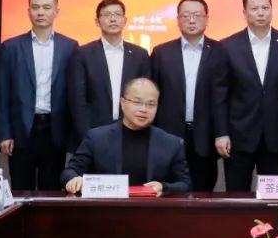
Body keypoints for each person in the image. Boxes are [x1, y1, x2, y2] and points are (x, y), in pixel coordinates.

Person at [213, 0, 278, 191]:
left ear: (271, 10)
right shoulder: (227, 46)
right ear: (245, 13)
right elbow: (220, 95)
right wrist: (221, 133)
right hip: (238, 135)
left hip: (276, 134)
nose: (260, 13)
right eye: (254, 9)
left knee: (273, 198)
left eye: (265, 8)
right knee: (236, 195)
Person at [0, 0, 78, 191]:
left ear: (56, 11)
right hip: (22, 129)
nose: (40, 12)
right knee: (20, 189)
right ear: (28, 11)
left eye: (46, 7)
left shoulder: (70, 46)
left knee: (52, 190)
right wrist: (5, 133)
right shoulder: (11, 47)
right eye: (35, 7)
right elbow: (2, 93)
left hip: (55, 128)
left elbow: (74, 93)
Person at [61, 77, 190, 195]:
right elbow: (69, 172)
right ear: (122, 103)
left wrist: (164, 187)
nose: (143, 109)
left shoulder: (171, 143)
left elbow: (185, 184)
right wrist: (74, 179)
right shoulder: (96, 138)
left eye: (151, 104)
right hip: (107, 209)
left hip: (151, 209)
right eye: (137, 102)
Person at [150, 0, 228, 192]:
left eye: (197, 15)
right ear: (177, 20)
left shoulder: (221, 51)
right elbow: (152, 96)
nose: (192, 20)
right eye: (186, 16)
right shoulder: (161, 53)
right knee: (168, 192)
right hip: (168, 136)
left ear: (207, 19)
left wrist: (222, 132)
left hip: (205, 137)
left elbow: (223, 97)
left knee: (203, 193)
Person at [67, 0, 151, 145]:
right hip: (93, 132)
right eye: (106, 15)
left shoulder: (140, 55)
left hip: (132, 131)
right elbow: (77, 99)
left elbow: (145, 96)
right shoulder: (83, 53)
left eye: (117, 14)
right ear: (97, 21)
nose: (113, 19)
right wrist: (86, 135)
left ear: (125, 20)